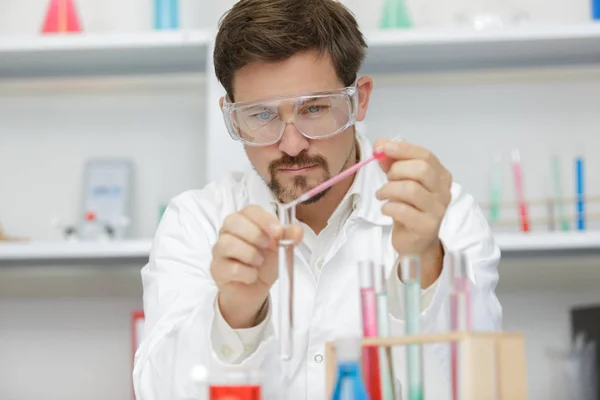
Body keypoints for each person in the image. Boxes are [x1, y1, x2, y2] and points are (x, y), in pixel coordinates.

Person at [133, 0, 502, 399]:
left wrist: (425, 263)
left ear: (359, 99)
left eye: (315, 108)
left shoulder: (440, 215)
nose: (291, 145)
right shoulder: (195, 222)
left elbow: (480, 387)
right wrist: (237, 312)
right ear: (231, 115)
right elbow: (157, 390)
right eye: (260, 115)